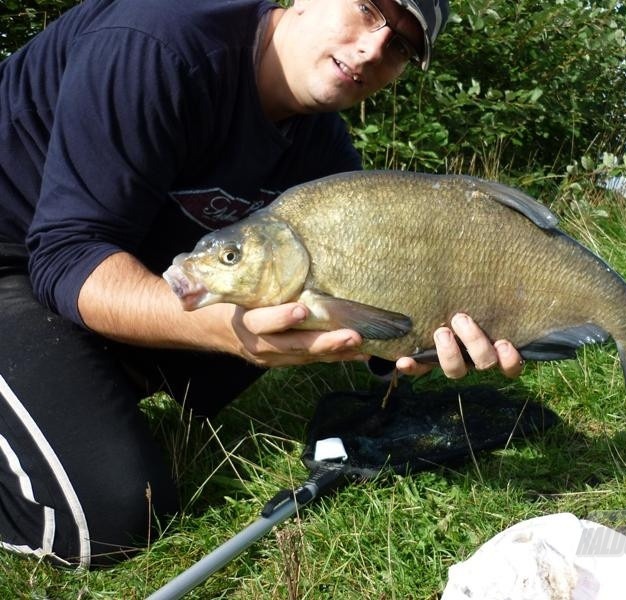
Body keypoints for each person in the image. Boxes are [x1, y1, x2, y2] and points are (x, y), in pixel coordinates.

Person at [0, 0, 523, 567]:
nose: (373, 49)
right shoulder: (158, 41)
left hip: (90, 272)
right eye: (368, 9)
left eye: (399, 45)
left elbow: (371, 302)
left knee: (272, 288)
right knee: (106, 521)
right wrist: (226, 334)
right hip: (16, 256)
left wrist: (410, 342)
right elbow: (66, 252)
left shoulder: (321, 151)